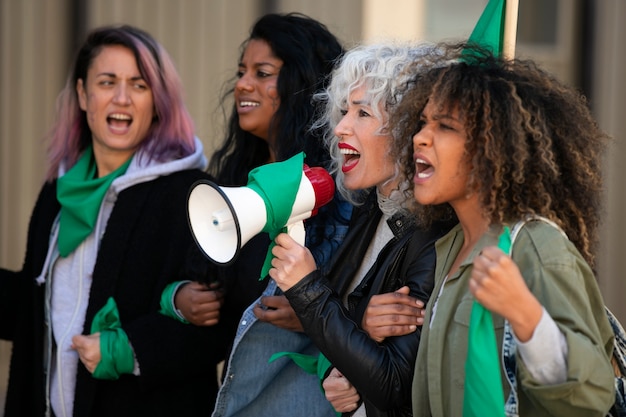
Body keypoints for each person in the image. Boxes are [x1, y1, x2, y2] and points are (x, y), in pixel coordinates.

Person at [0, 25, 228, 417]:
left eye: (139, 85)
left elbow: (215, 325)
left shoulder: (191, 195)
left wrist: (130, 350)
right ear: (83, 95)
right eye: (107, 82)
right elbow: (37, 307)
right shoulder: (59, 193)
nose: (121, 98)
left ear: (157, 101)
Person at [389, 42, 615, 416]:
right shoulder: (450, 247)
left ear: (495, 148)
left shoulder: (538, 248)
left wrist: (526, 315)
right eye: (423, 122)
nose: (419, 138)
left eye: (445, 126)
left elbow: (591, 396)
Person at [169, 13, 352, 417]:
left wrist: (313, 315)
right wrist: (180, 299)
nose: (242, 84)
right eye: (241, 72)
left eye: (262, 73)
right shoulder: (233, 182)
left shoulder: (341, 195)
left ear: (303, 85)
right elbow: (203, 288)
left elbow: (368, 304)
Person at [268, 43, 455, 417]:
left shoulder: (434, 233)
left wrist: (307, 289)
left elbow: (393, 386)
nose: (340, 127)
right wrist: (339, 366)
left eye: (363, 113)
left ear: (408, 130)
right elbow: (347, 335)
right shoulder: (369, 209)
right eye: (343, 111)